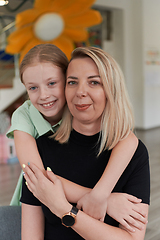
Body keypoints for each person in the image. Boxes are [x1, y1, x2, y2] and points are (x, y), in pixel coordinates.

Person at [21, 46, 150, 240]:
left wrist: (63, 209)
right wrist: (106, 199)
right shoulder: (40, 149)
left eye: (94, 82)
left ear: (111, 91)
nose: (81, 91)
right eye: (72, 82)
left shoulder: (134, 153)